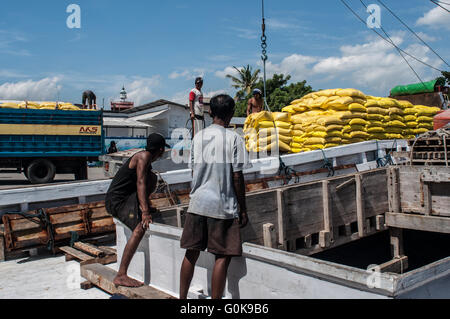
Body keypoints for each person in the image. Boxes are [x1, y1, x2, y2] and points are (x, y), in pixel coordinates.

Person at [179, 94, 251, 299]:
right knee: (223, 256)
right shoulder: (234, 138)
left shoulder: (198, 137)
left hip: (197, 204)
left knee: (191, 254)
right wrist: (243, 209)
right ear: (231, 114)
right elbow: (237, 177)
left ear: (210, 112)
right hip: (222, 207)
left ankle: (182, 299)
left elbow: (195, 172)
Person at [105, 133, 169, 287]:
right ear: (160, 150)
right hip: (117, 200)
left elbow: (146, 181)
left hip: (128, 198)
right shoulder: (143, 157)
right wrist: (145, 213)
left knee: (152, 177)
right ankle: (121, 275)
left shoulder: (147, 158)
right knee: (140, 228)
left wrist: (146, 205)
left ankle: (144, 206)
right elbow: (140, 182)